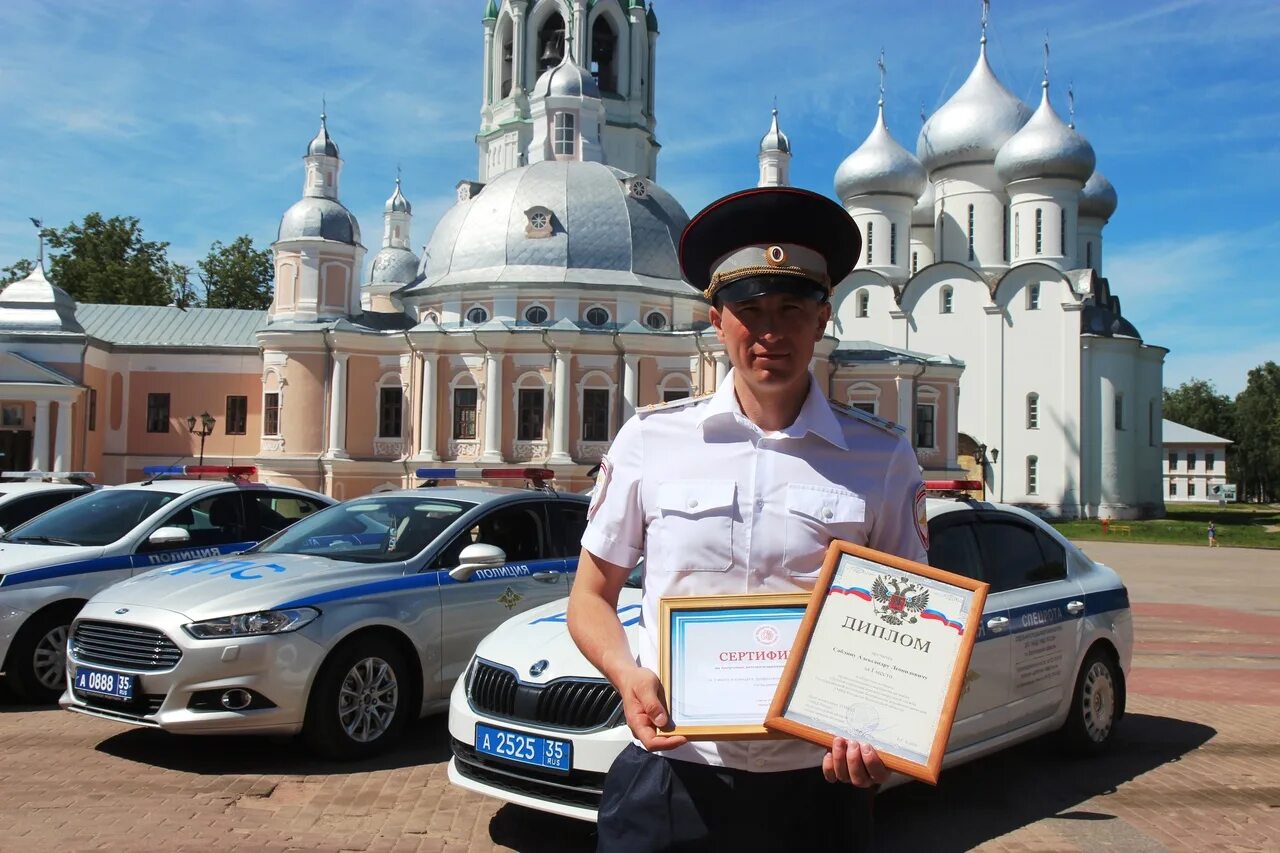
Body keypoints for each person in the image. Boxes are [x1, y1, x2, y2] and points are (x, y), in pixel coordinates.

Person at [567, 187, 929, 852]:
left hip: (818, 789)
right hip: (674, 777)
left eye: (792, 308)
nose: (770, 331)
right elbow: (590, 596)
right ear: (716, 318)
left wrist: (887, 728)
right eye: (750, 308)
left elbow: (906, 628)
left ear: (823, 319)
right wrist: (626, 673)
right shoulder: (651, 440)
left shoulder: (882, 457)